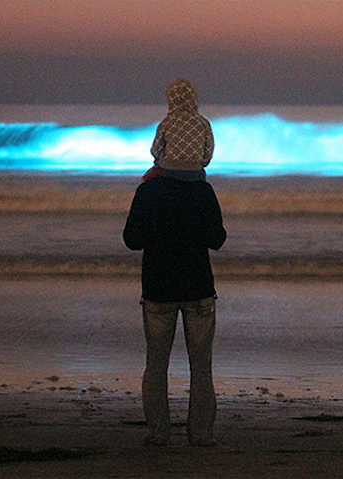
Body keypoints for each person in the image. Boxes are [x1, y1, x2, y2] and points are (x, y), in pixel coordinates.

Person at [123, 80, 225, 446]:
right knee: (202, 367)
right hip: (199, 290)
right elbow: (218, 240)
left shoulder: (148, 191)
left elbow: (131, 240)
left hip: (158, 290)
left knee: (156, 366)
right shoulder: (203, 191)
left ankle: (159, 434)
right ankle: (201, 435)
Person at [141, 78, 214, 183]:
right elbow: (208, 153)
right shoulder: (203, 123)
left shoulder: (167, 122)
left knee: (146, 181)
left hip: (168, 170)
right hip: (195, 172)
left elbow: (156, 151)